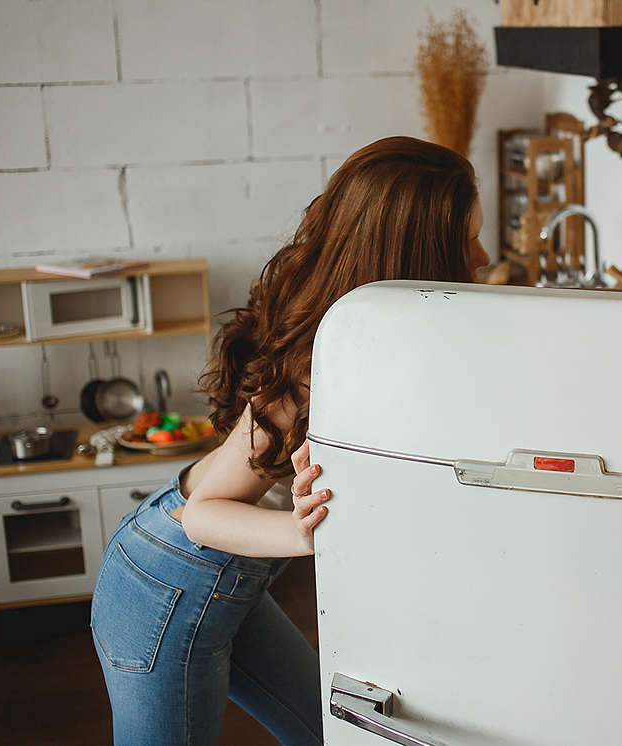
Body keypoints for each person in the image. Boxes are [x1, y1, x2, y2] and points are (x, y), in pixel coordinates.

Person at [90, 136, 490, 746]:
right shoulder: (311, 372)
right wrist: (305, 534)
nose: (484, 256)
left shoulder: (366, 347)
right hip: (162, 583)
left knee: (326, 735)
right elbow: (204, 514)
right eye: (468, 241)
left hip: (225, 582)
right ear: (420, 253)